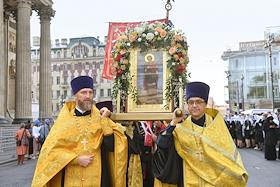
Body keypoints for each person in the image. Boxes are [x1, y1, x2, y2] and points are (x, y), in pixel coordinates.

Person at [32, 76, 128, 187]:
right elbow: (51, 153)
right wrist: (76, 160)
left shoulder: (100, 117)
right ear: (75, 95)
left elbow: (111, 147)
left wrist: (105, 120)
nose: (88, 96)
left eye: (90, 92)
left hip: (99, 178)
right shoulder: (64, 121)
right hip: (70, 178)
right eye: (83, 92)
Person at [153, 81, 248, 187]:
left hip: (213, 181)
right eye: (190, 102)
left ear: (205, 104)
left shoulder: (216, 125)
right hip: (187, 179)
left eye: (198, 102)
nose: (194, 105)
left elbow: (228, 153)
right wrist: (173, 122)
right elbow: (162, 144)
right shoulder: (180, 128)